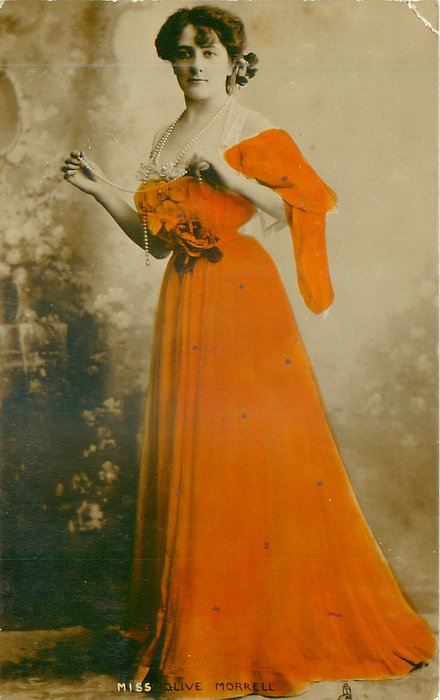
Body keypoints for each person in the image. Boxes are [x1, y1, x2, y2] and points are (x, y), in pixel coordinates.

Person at [62, 5, 435, 698]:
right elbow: (153, 241)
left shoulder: (251, 127)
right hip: (185, 297)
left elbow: (306, 206)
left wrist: (231, 179)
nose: (194, 63)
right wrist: (100, 192)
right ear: (170, 62)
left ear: (233, 61)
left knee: (248, 454)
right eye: (182, 52)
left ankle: (251, 633)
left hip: (244, 300)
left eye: (207, 51)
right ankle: (199, 625)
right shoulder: (164, 138)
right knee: (194, 451)